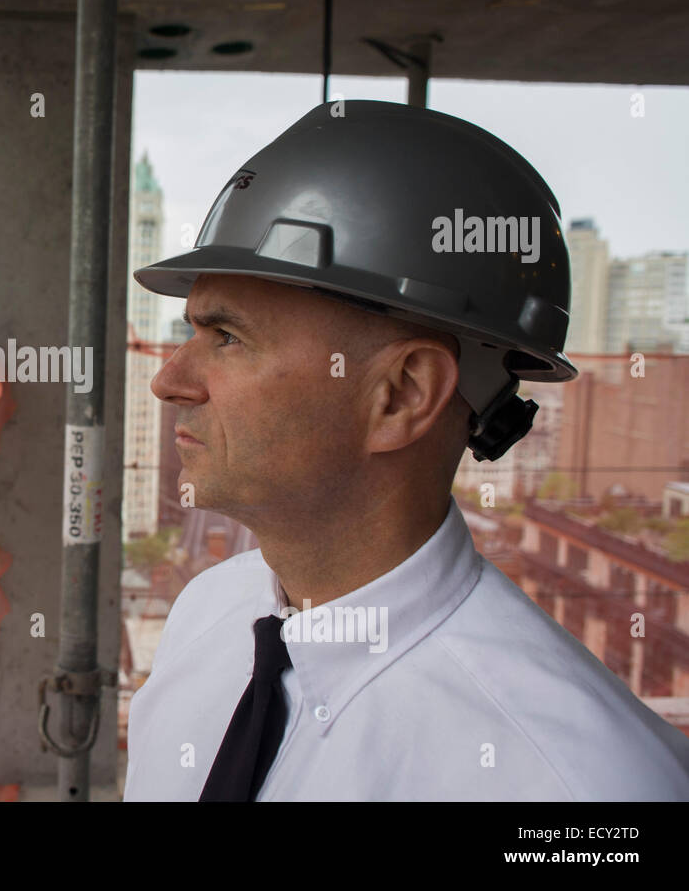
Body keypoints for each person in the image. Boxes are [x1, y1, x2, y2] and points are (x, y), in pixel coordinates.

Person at [122, 100, 689, 801]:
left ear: (402, 395)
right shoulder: (209, 616)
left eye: (227, 338)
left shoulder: (578, 786)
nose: (168, 379)